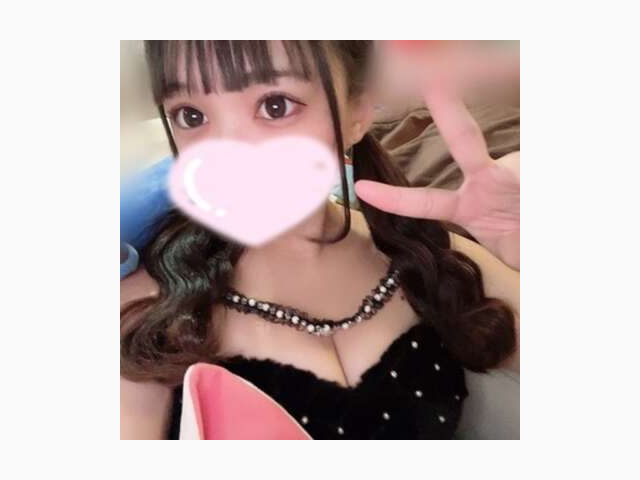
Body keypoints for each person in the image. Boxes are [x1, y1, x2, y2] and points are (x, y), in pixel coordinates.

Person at [120, 41, 519, 440]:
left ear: (359, 111)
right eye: (191, 116)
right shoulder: (147, 311)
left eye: (275, 106)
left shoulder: (423, 250)